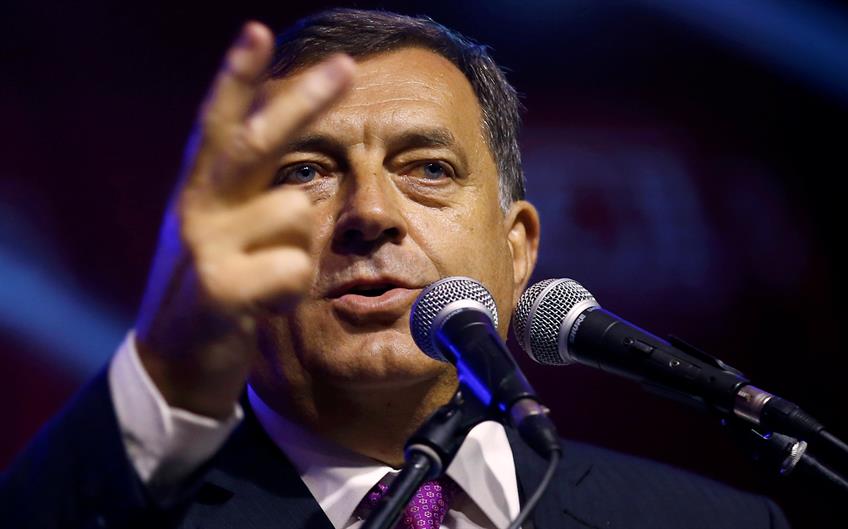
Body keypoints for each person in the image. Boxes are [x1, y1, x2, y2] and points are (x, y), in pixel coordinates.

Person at [0, 8, 789, 529]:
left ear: (517, 248)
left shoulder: (713, 522)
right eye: (306, 172)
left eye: (429, 169)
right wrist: (169, 366)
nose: (370, 211)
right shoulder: (123, 511)